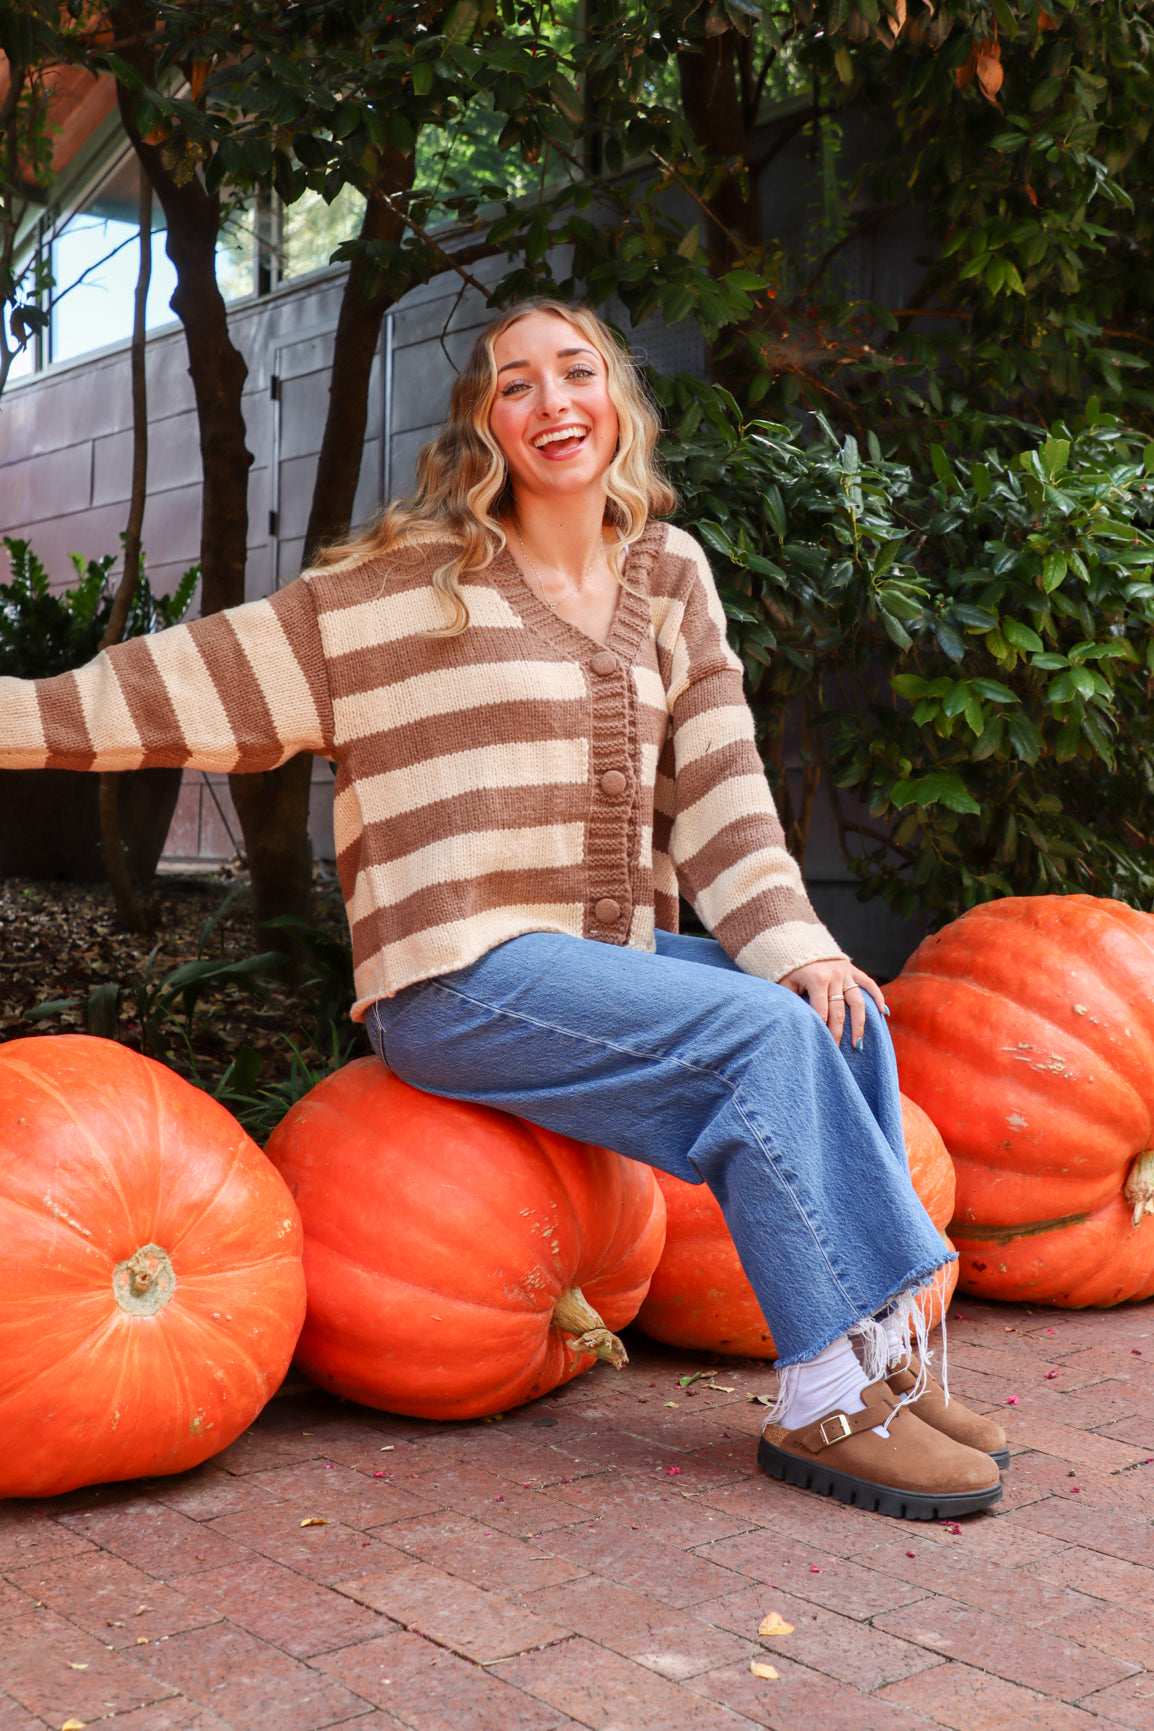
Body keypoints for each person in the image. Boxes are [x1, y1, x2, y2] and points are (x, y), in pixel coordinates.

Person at [1, 297, 1006, 1519]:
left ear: (618, 401)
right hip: (453, 980)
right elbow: (169, 687)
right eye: (513, 384)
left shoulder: (669, 573)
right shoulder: (394, 594)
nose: (550, 402)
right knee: (760, 1041)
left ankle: (884, 1359)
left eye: (574, 372)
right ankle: (818, 1401)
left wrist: (795, 947)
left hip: (598, 964)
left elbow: (724, 788)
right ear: (486, 423)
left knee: (837, 1014)